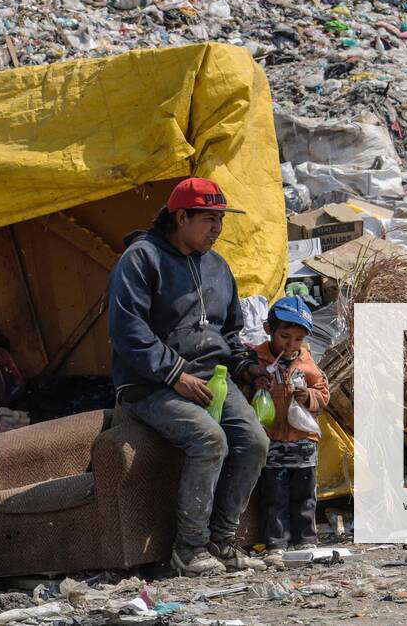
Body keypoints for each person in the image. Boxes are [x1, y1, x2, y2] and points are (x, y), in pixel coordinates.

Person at [108, 177, 270, 577]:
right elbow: (128, 330)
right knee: (209, 438)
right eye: (209, 219)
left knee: (254, 441)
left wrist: (247, 367)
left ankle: (222, 541)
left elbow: (229, 332)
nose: (218, 228)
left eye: (221, 220)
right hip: (151, 383)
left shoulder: (217, 266)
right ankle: (190, 548)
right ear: (181, 217)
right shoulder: (141, 259)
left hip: (212, 378)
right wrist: (174, 373)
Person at [244, 296, 330, 569]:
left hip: (303, 441)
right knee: (274, 494)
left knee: (305, 493)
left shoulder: (308, 363)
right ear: (269, 329)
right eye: (284, 337)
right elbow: (245, 390)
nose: (290, 345)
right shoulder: (256, 360)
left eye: (298, 339)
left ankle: (305, 540)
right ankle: (276, 544)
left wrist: (308, 396)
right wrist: (257, 385)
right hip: (272, 439)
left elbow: (323, 394)